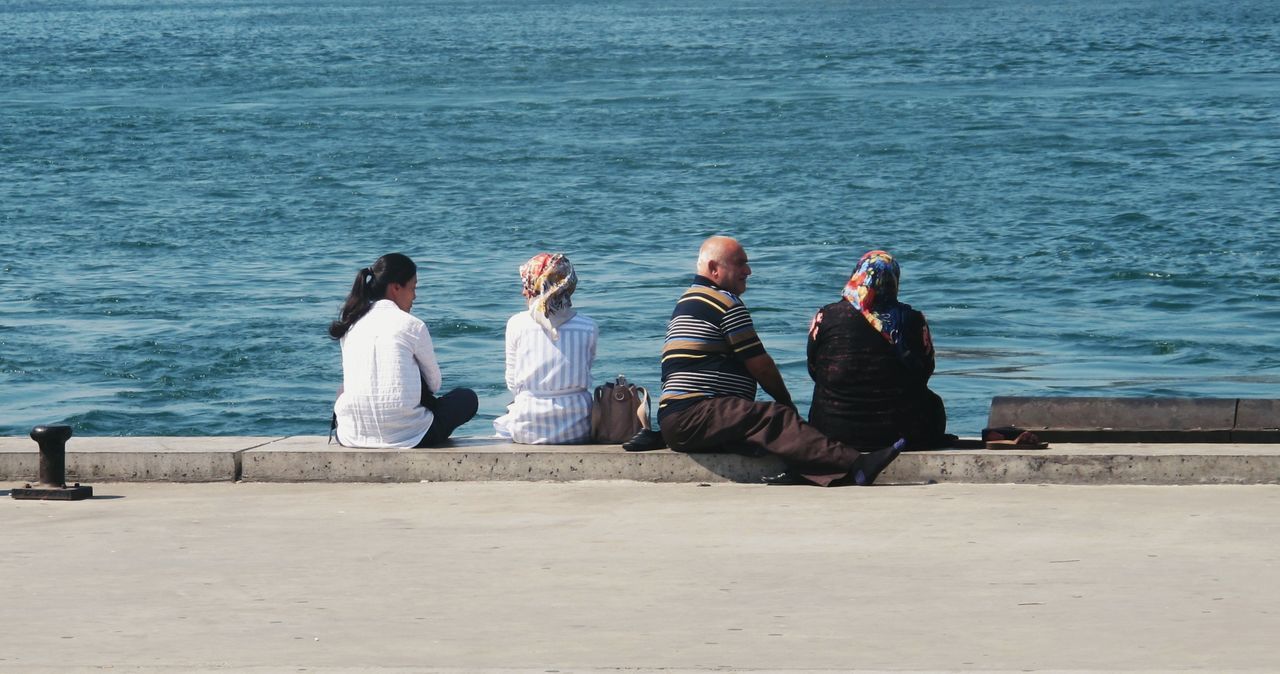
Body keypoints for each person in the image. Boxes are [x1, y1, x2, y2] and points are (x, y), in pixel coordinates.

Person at [657, 236, 901, 486]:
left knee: (763, 433)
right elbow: (760, 365)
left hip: (678, 418)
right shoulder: (725, 304)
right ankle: (856, 465)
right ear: (713, 269)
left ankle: (816, 471)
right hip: (694, 413)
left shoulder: (689, 299)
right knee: (774, 417)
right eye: (740, 264)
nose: (748, 271)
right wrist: (785, 402)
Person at [328, 253, 478, 448]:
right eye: (413, 288)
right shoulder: (412, 325)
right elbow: (434, 384)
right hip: (410, 436)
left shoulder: (351, 325)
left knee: (344, 389)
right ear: (395, 288)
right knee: (466, 398)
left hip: (352, 435)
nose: (415, 296)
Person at [806, 250, 948, 449]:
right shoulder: (912, 319)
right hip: (901, 433)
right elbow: (925, 370)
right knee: (933, 403)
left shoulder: (825, 317)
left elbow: (814, 368)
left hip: (832, 432)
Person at [493, 253, 598, 444]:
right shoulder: (588, 326)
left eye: (527, 285)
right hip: (578, 428)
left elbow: (512, 382)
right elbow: (585, 371)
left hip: (527, 428)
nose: (523, 292)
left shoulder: (517, 324)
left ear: (537, 286)